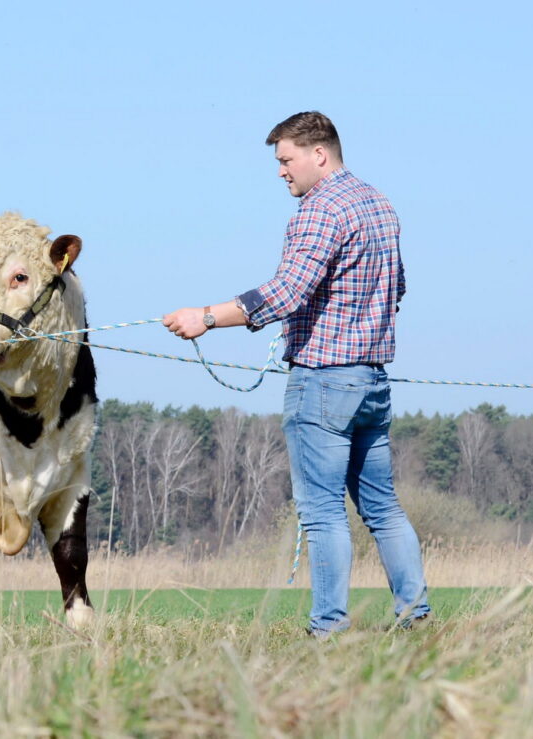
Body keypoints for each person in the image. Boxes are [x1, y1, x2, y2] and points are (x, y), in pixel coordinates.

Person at [163, 111, 430, 637]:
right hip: (373, 381)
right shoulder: (380, 203)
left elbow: (286, 292)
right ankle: (415, 617)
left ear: (319, 155)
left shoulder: (320, 209)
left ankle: (327, 628)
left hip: (324, 382)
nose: (282, 172)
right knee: (383, 507)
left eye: (286, 160)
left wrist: (207, 317)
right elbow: (397, 288)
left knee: (322, 511)